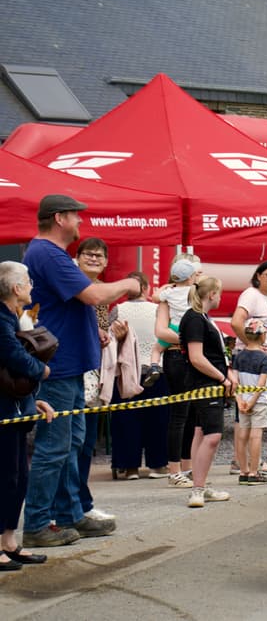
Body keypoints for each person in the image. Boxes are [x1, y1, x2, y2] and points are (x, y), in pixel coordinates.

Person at [22, 194, 140, 548]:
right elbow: (93, 296)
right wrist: (130, 285)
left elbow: (76, 302)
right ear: (59, 218)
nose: (80, 222)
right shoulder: (48, 253)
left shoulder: (48, 253)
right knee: (55, 447)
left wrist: (94, 330)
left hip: (67, 364)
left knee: (70, 444)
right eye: (76, 216)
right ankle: (38, 523)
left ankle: (69, 513)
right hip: (59, 368)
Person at [0, 261, 54, 570]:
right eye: (28, 281)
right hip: (4, 411)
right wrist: (41, 370)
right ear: (16, 288)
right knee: (5, 477)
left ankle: (9, 541)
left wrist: (35, 401)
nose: (32, 286)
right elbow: (13, 357)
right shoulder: (1, 319)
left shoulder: (13, 317)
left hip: (16, 408)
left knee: (19, 477)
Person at [178, 276, 235, 508]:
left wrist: (226, 373)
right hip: (205, 384)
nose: (220, 297)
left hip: (206, 383)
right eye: (219, 293)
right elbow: (196, 357)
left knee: (201, 432)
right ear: (212, 294)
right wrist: (222, 377)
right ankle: (198, 489)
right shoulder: (194, 318)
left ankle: (199, 484)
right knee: (212, 435)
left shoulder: (200, 317)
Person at [108, 271, 170, 480]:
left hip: (127, 372)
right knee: (158, 420)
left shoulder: (117, 310)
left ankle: (129, 467)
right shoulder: (157, 309)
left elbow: (110, 338)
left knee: (126, 420)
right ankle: (157, 465)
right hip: (156, 368)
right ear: (145, 288)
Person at [75, 237, 117, 520]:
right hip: (71, 372)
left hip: (94, 372)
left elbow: (100, 332)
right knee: (71, 444)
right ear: (77, 257)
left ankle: (82, 502)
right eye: (88, 254)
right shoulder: (72, 285)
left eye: (99, 256)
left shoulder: (101, 292)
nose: (93, 259)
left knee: (87, 442)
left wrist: (110, 334)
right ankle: (72, 505)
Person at [229, 260, 267, 475]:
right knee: (249, 417)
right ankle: (247, 465)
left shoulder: (265, 299)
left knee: (246, 416)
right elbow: (236, 322)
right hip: (252, 363)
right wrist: (253, 346)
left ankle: (246, 463)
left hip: (255, 361)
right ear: (258, 276)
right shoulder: (251, 294)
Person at [154, 255, 201, 488]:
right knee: (180, 414)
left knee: (191, 414)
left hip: (191, 356)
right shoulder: (183, 296)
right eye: (196, 271)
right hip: (177, 356)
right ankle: (175, 470)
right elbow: (161, 331)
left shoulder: (178, 295)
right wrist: (189, 338)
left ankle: (187, 465)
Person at [142, 258, 201, 387]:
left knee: (157, 349)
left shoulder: (169, 293)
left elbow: (155, 298)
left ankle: (154, 367)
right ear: (190, 278)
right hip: (189, 327)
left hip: (173, 327)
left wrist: (164, 287)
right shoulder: (194, 292)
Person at [231, 318, 267, 485]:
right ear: (262, 336)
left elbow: (235, 381)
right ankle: (254, 472)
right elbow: (261, 384)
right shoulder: (265, 358)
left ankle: (243, 471)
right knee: (256, 436)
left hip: (243, 401)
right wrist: (253, 401)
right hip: (259, 401)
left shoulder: (239, 356)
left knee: (242, 435)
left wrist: (240, 400)